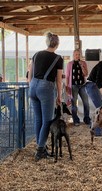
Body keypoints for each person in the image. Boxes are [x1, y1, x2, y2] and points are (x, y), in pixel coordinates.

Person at [28, 32, 63, 161]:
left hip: (33, 87)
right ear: (57, 44)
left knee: (38, 119)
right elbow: (59, 80)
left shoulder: (36, 54)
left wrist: (32, 86)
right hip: (46, 88)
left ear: (47, 42)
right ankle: (40, 150)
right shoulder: (58, 58)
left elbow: (29, 74)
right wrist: (59, 96)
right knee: (47, 121)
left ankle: (40, 146)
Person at [65, 49, 91, 126]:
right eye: (76, 54)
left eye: (79, 54)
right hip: (73, 86)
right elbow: (67, 76)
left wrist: (82, 66)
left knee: (86, 103)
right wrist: (67, 87)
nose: (77, 56)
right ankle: (76, 120)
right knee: (74, 104)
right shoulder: (70, 64)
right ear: (73, 55)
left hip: (82, 85)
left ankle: (86, 119)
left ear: (81, 55)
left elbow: (86, 74)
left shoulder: (83, 63)